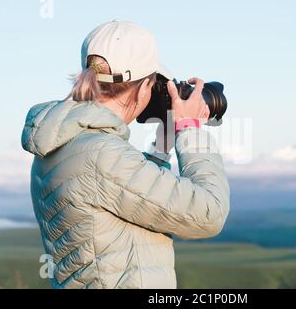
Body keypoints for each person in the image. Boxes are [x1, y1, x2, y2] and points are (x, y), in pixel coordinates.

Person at [21, 20, 230, 289]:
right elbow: (209, 213)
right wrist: (190, 130)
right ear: (144, 88)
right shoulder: (101, 155)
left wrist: (164, 139)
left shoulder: (63, 143)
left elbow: (131, 201)